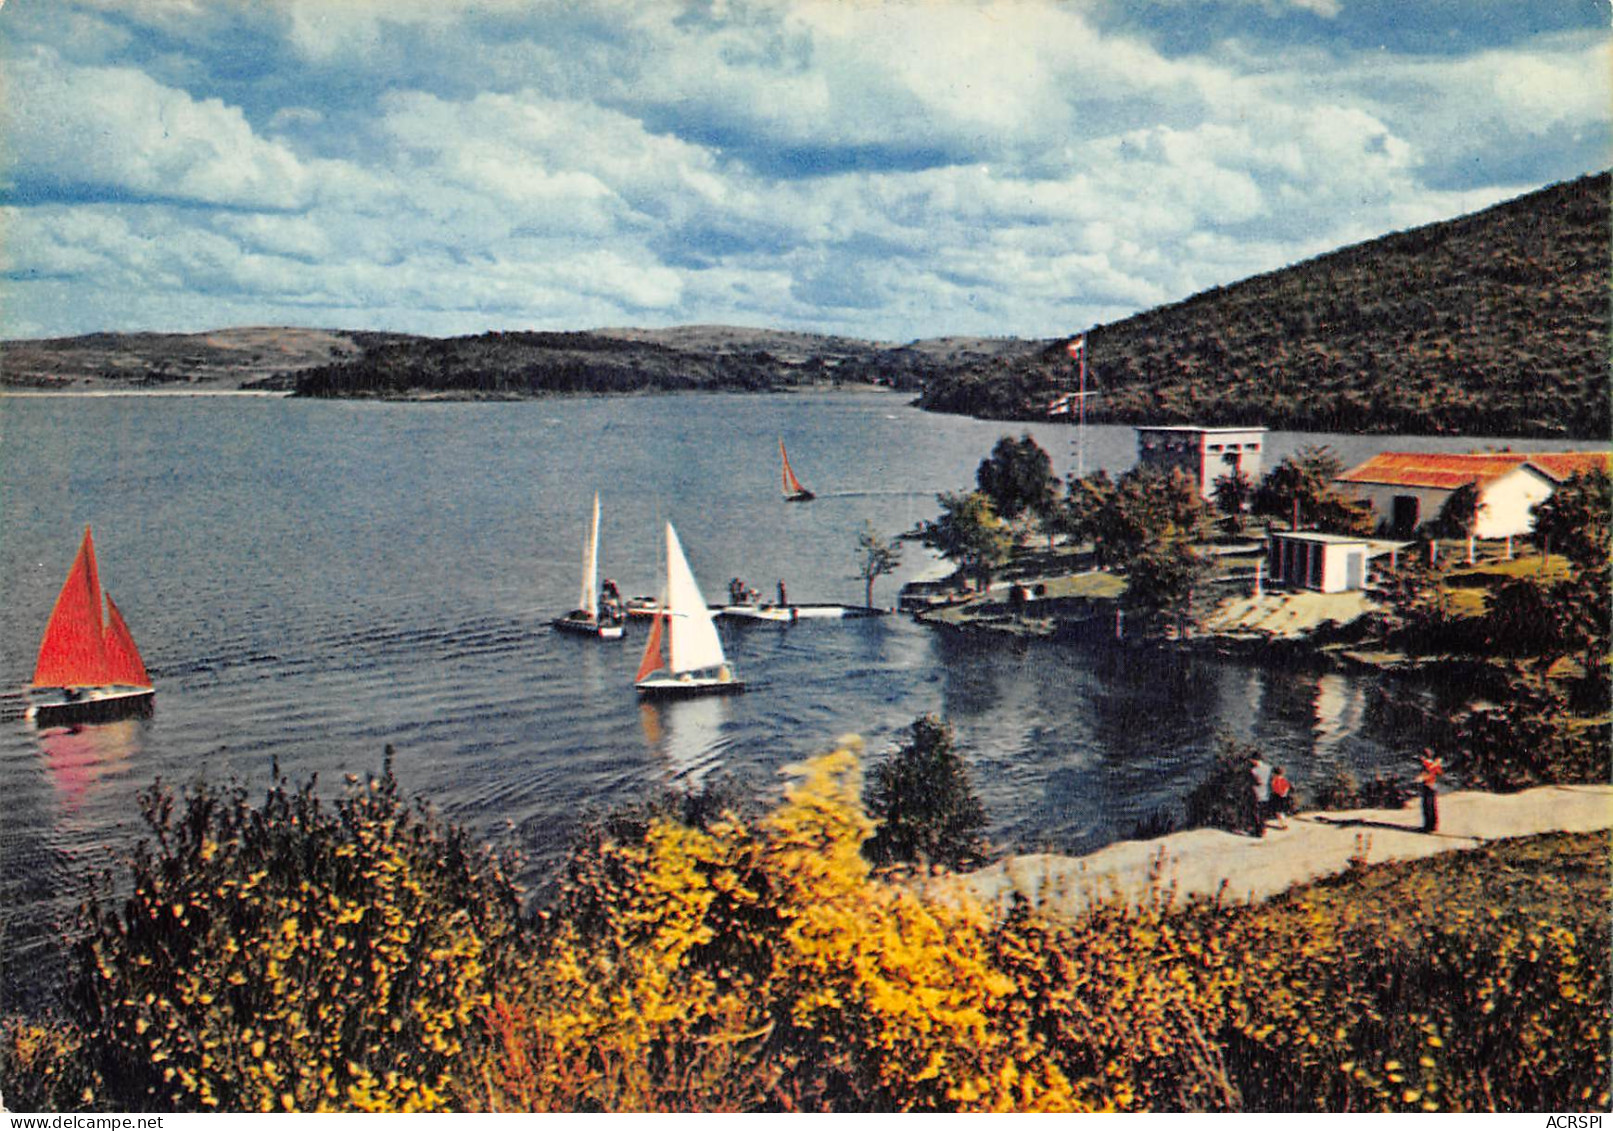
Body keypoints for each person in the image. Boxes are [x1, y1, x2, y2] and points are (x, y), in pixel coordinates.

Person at [1418, 751, 1443, 833]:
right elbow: (1440, 773)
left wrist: (1422, 778)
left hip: (1427, 785)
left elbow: (1424, 774)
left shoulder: (1426, 764)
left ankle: (1428, 826)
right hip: (1433, 785)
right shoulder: (1435, 764)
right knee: (1432, 805)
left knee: (1427, 805)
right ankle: (1433, 825)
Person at [1249, 754, 1273, 838]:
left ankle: (1259, 831)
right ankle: (1263, 829)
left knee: (1256, 812)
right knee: (1263, 812)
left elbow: (1256, 782)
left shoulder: (1253, 771)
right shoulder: (1269, 768)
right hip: (1266, 792)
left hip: (1257, 792)